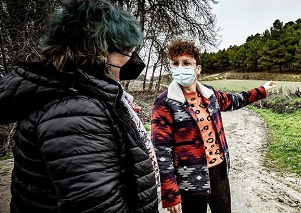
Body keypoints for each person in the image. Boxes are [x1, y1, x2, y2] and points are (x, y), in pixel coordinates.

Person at [0, 0, 160, 212]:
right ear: (99, 51)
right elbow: (97, 204)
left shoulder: (78, 95)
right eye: (126, 50)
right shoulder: (75, 110)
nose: (131, 58)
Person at [151, 39, 276, 213]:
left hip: (219, 172)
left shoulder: (210, 95)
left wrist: (261, 89)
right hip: (190, 178)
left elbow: (236, 100)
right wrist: (170, 192)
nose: (180, 68)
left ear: (197, 69)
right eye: (175, 63)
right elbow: (161, 150)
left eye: (186, 63)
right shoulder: (164, 102)